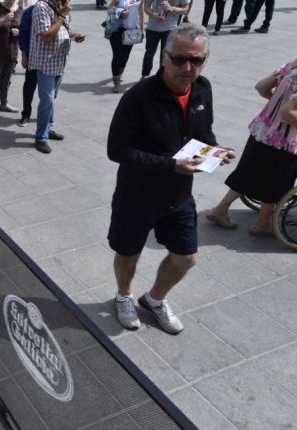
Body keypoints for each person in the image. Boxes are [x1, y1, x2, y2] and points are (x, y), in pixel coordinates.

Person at [107, 23, 233, 335]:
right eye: (179, 59)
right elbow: (117, 150)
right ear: (164, 57)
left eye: (196, 60)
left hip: (178, 196)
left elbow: (202, 132)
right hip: (136, 195)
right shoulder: (139, 97)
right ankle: (124, 296)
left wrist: (214, 150)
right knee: (128, 253)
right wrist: (170, 165)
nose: (187, 67)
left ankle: (154, 299)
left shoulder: (203, 89)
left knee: (186, 258)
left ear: (205, 60)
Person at [206, 59, 297, 236]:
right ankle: (262, 224)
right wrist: (283, 105)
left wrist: (277, 100)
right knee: (276, 182)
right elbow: (288, 113)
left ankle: (220, 210)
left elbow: (261, 87)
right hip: (283, 139)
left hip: (262, 128)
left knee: (250, 172)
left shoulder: (292, 64)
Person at [28, 0, 85, 154]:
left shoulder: (63, 5)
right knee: (47, 100)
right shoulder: (41, 7)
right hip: (46, 62)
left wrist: (75, 35)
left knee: (52, 98)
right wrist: (61, 16)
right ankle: (41, 138)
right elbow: (46, 36)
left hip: (60, 62)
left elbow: (65, 30)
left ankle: (48, 128)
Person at [141, 0, 189, 79]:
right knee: (149, 53)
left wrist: (171, 8)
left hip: (169, 28)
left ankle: (162, 78)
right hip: (152, 28)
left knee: (165, 55)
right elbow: (146, 7)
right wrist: (154, 15)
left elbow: (185, 10)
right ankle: (144, 75)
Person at [106, 0, 144, 93]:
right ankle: (116, 82)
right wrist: (120, 13)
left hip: (131, 30)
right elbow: (109, 9)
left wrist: (142, 29)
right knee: (117, 55)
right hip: (116, 29)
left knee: (125, 56)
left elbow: (141, 13)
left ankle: (120, 72)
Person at [17, 3, 36, 127]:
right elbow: (23, 33)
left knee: (50, 93)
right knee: (30, 84)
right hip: (32, 55)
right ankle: (26, 114)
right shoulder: (31, 11)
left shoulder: (59, 10)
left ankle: (46, 116)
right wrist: (24, 54)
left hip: (52, 60)